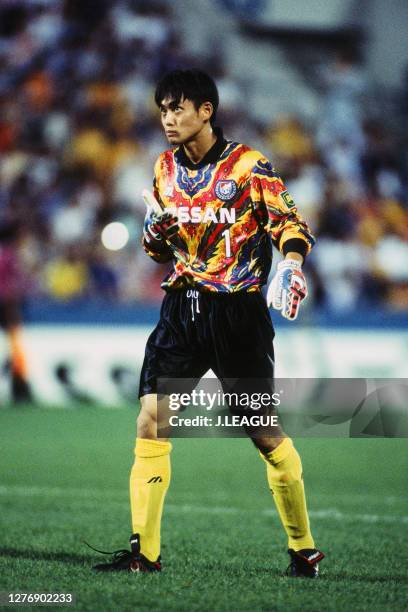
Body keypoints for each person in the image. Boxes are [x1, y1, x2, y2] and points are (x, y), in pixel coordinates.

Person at [92, 69, 324, 577]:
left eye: (178, 108)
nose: (168, 119)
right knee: (151, 421)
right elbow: (156, 249)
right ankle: (144, 554)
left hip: (237, 314)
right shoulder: (163, 169)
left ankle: (303, 547)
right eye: (162, 110)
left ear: (206, 110)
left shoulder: (248, 166)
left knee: (263, 433)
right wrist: (153, 231)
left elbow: (290, 222)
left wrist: (289, 265)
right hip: (181, 307)